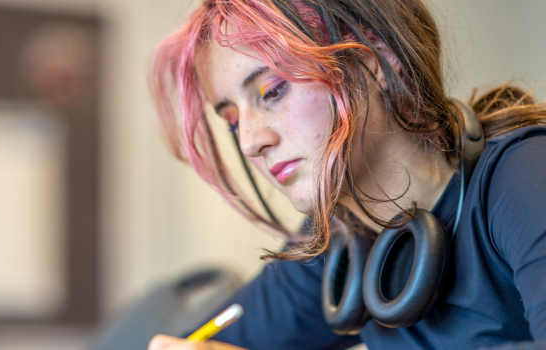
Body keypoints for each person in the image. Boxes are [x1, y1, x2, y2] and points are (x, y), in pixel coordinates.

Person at [146, 0, 546, 349]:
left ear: (376, 63)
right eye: (233, 121)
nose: (249, 141)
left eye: (272, 91)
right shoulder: (340, 242)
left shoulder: (523, 173)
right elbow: (203, 342)